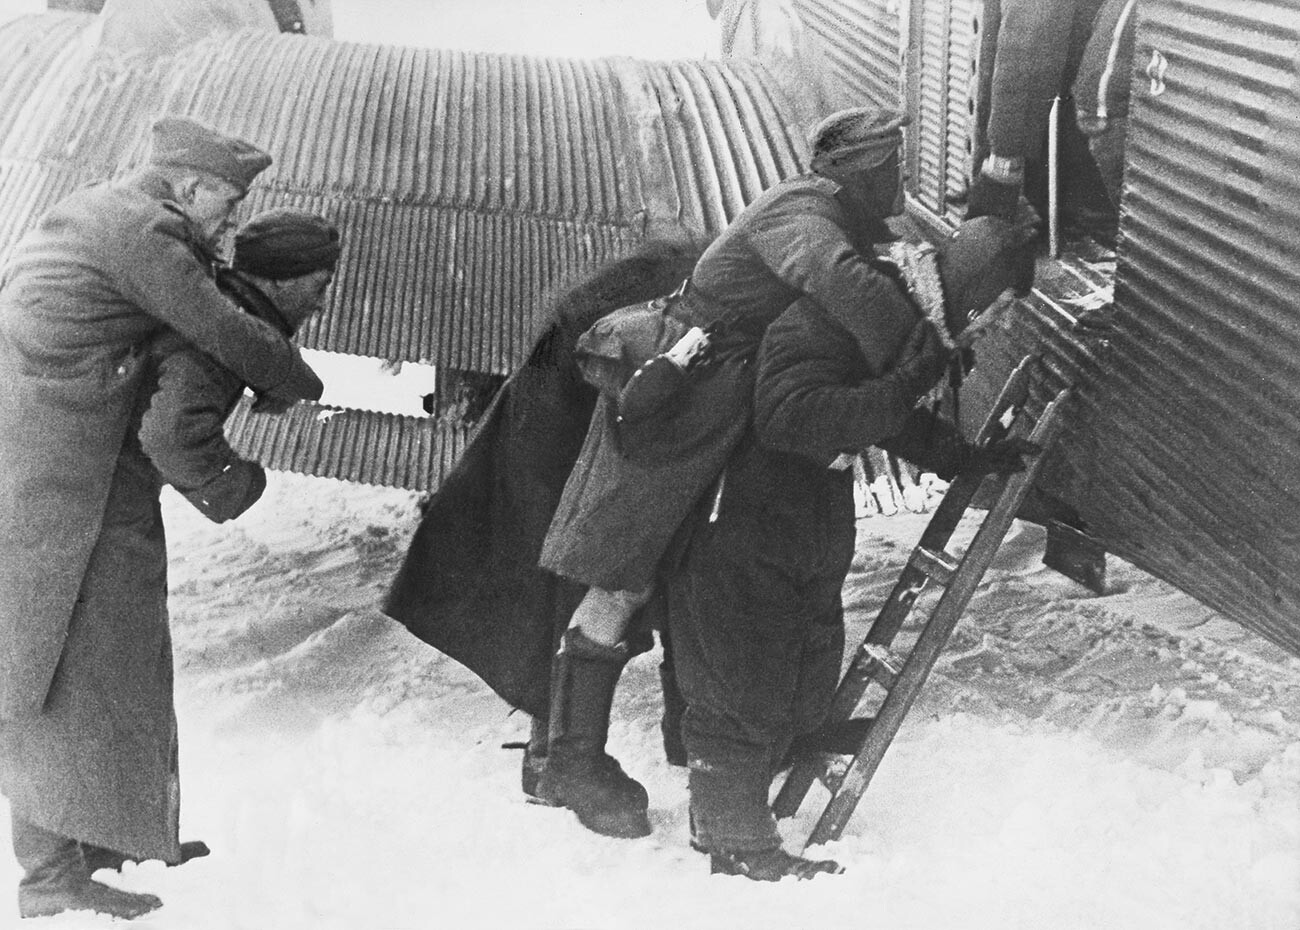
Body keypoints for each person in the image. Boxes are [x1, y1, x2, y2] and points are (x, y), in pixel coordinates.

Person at [532, 107, 948, 839]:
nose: (903, 182)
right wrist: (920, 351)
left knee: (687, 574)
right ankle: (570, 760)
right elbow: (834, 277)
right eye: (894, 168)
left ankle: (684, 744)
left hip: (718, 405)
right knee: (625, 575)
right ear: (858, 170)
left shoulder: (835, 215)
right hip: (676, 399)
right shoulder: (803, 210)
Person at [0, 115, 323, 921]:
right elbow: (216, 323)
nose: (232, 225)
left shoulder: (108, 213)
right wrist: (297, 382)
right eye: (229, 205)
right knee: (53, 675)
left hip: (73, 467)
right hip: (52, 485)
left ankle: (102, 839)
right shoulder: (143, 228)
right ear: (191, 186)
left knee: (108, 668)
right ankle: (49, 883)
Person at [668, 218, 1040, 882]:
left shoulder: (900, 324)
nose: (995, 326)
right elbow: (791, 419)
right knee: (744, 679)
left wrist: (966, 457)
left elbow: (879, 412)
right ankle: (736, 841)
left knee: (805, 662)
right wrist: (911, 379)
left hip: (800, 518)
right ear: (977, 295)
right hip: (749, 517)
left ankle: (739, 797)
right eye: (1001, 309)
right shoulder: (845, 317)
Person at [138, 208, 341, 523]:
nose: (321, 303)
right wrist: (238, 488)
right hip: (99, 492)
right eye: (320, 286)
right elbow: (169, 436)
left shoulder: (220, 310)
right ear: (279, 279)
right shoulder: (222, 341)